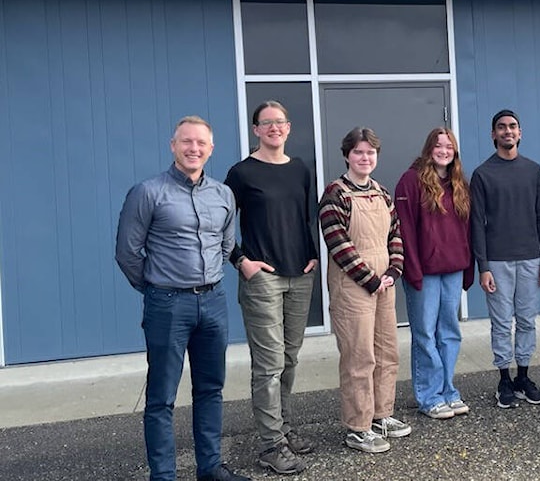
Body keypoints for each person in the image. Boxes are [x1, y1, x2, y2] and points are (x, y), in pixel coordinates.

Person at [115, 116, 249, 481]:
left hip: (213, 303)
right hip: (168, 304)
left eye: (201, 143)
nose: (194, 149)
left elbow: (225, 245)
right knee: (161, 397)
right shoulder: (148, 192)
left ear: (211, 149)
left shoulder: (223, 194)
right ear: (173, 146)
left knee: (211, 389)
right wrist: (157, 288)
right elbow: (128, 252)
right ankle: (164, 475)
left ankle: (209, 469)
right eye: (186, 142)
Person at [224, 101, 318, 475]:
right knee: (269, 363)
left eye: (280, 122)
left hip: (300, 273)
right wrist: (240, 260)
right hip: (263, 277)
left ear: (289, 128)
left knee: (289, 359)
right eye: (267, 123)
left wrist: (311, 254)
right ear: (256, 130)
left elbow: (304, 215)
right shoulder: (241, 173)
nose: (274, 128)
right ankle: (270, 445)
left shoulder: (299, 169)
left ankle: (284, 429)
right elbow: (219, 221)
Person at [319, 127, 410, 453]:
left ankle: (381, 414)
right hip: (353, 285)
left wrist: (394, 270)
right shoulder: (335, 195)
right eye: (358, 152)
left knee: (387, 352)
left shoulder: (383, 194)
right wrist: (371, 279)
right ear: (347, 155)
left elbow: (395, 234)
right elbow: (338, 244)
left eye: (370, 152)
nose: (365, 157)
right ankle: (358, 426)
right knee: (359, 357)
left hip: (384, 282)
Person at [470, 109, 540, 408]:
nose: (508, 131)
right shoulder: (482, 174)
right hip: (498, 261)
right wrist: (483, 266)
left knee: (528, 321)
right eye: (502, 127)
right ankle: (504, 378)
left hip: (531, 259)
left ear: (520, 133)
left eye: (513, 127)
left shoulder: (533, 170)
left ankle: (523, 376)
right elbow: (476, 223)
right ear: (493, 134)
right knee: (502, 323)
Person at [395, 128, 474, 420]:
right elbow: (404, 230)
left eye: (449, 146)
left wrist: (468, 269)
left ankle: (447, 390)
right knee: (425, 334)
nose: (444, 150)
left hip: (453, 269)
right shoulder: (411, 181)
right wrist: (412, 269)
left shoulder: (458, 184)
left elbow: (467, 230)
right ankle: (429, 397)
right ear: (429, 148)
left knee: (449, 333)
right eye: (438, 145)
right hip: (424, 273)